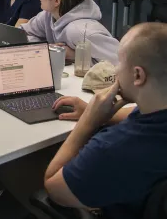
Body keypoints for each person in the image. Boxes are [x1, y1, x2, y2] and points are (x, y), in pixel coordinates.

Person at [45, 23, 167, 218]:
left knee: (13, 167)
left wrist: (88, 121)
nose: (116, 70)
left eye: (119, 62)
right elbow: (132, 112)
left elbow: (53, 187)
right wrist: (92, 110)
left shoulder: (114, 146)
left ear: (137, 75)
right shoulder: (156, 111)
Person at [21, 0, 119, 64]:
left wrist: (76, 56)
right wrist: (45, 48)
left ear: (56, 1)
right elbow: (22, 33)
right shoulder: (47, 15)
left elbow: (118, 62)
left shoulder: (80, 31)